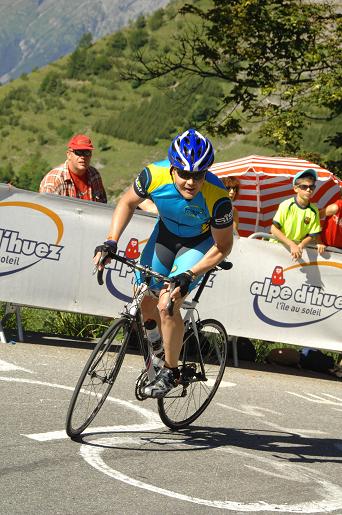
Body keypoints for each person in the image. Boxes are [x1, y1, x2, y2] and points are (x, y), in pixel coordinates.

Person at [94, 128, 233, 398]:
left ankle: (170, 370)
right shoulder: (152, 176)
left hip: (199, 245)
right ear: (171, 168)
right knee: (144, 295)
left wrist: (191, 273)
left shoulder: (218, 198)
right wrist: (111, 241)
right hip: (166, 236)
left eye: (198, 175)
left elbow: (223, 246)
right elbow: (126, 203)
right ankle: (157, 345)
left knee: (167, 303)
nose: (191, 182)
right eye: (184, 174)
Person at [270, 168, 323, 260]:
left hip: (295, 251)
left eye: (311, 187)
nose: (308, 190)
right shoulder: (286, 205)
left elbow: (312, 235)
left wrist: (301, 245)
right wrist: (292, 244)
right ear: (295, 188)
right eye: (304, 187)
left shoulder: (314, 211)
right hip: (276, 248)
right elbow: (273, 229)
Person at [39, 134, 107, 203]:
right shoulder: (54, 181)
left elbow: (103, 206)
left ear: (91, 155)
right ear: (69, 155)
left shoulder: (94, 175)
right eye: (78, 152)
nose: (83, 157)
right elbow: (46, 210)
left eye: (86, 152)